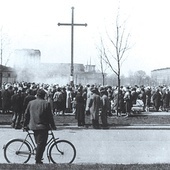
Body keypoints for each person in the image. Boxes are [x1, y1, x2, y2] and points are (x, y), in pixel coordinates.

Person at [23, 89, 56, 164]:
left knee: (39, 144)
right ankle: (38, 160)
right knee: (42, 144)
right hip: (42, 126)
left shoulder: (31, 103)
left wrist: (25, 125)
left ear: (37, 95)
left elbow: (26, 115)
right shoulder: (46, 103)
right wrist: (53, 126)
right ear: (44, 95)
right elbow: (50, 116)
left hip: (32, 125)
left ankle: (38, 156)